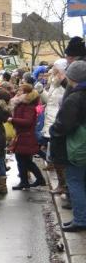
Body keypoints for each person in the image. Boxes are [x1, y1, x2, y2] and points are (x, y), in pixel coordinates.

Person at [50, 60, 86, 232]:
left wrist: (53, 129)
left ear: (73, 77)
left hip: (77, 147)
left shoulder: (75, 98)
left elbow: (64, 125)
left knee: (75, 182)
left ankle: (81, 219)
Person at [9, 83, 46, 190]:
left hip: (26, 136)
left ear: (26, 93)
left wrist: (13, 120)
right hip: (22, 135)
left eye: (20, 90)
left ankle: (34, 180)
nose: (18, 92)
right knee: (23, 160)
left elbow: (28, 121)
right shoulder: (22, 104)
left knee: (24, 160)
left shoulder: (28, 106)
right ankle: (26, 181)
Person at [42, 59, 68, 194]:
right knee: (54, 152)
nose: (54, 73)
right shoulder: (54, 83)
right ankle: (61, 184)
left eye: (56, 71)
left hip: (58, 120)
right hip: (51, 119)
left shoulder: (65, 85)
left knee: (58, 154)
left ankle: (63, 185)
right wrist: (42, 92)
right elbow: (49, 101)